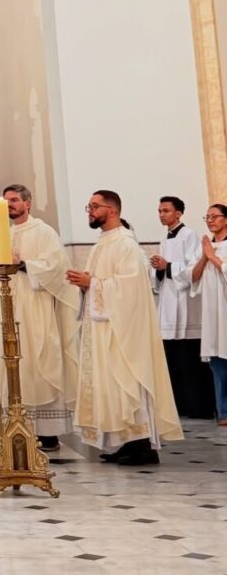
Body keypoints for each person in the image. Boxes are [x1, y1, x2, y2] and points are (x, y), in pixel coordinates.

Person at [66, 190, 182, 464]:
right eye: (89, 207)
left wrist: (91, 284)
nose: (90, 212)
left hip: (124, 331)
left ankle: (142, 445)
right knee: (112, 384)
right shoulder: (102, 243)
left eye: (95, 207)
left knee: (126, 380)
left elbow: (129, 289)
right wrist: (87, 283)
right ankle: (126, 441)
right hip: (106, 326)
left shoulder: (126, 244)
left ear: (113, 210)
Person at [0, 184, 79, 451]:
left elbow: (55, 266)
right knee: (17, 364)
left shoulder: (44, 231)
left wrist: (22, 264)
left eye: (13, 200)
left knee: (42, 359)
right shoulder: (3, 234)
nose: (9, 204)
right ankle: (21, 428)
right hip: (12, 305)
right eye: (5, 200)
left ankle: (49, 432)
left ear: (27, 203)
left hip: (38, 307)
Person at [152, 195, 214, 418]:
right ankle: (179, 405)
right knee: (173, 359)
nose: (161, 215)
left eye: (166, 211)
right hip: (169, 303)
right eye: (159, 211)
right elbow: (163, 273)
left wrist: (167, 265)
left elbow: (192, 269)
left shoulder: (190, 236)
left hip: (187, 304)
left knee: (189, 359)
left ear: (178, 213)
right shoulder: (164, 238)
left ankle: (199, 407)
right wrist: (158, 269)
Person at [189, 203, 227, 426]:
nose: (210, 220)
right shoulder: (205, 248)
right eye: (207, 217)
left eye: (215, 216)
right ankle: (223, 411)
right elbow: (193, 278)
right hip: (213, 314)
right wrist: (205, 256)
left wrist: (212, 256)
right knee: (217, 361)